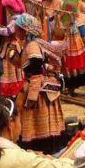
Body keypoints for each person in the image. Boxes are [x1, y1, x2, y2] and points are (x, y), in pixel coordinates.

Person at [15, 13, 66, 155]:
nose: (15, 31)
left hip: (38, 90)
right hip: (42, 88)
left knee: (35, 119)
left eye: (18, 28)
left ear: (25, 30)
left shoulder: (31, 46)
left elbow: (36, 71)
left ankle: (40, 149)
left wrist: (31, 96)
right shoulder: (33, 44)